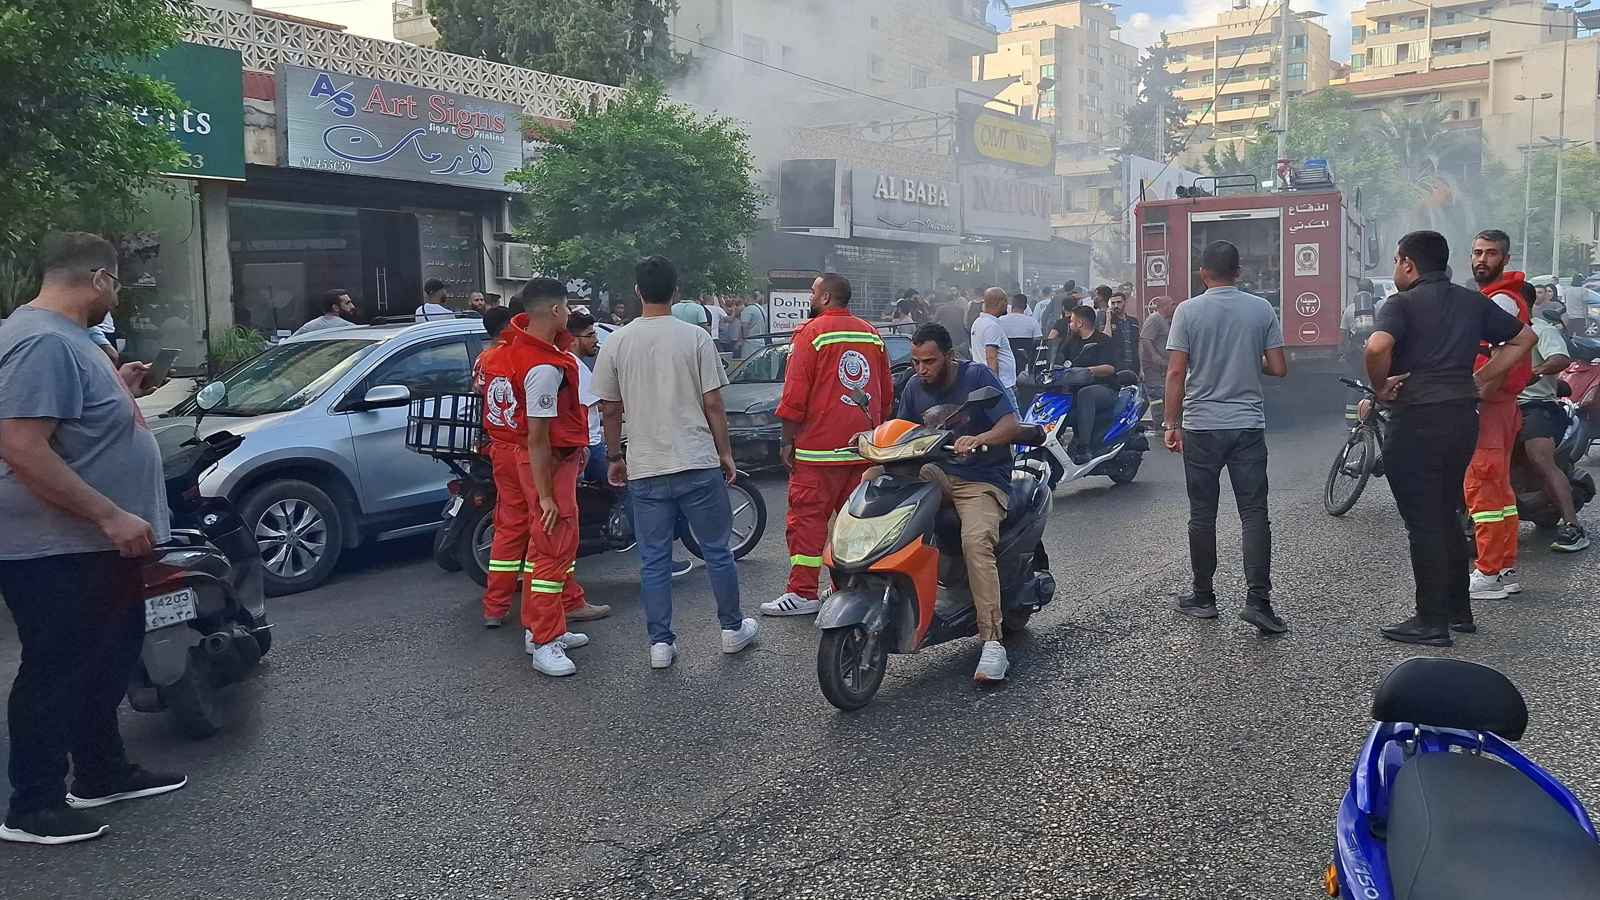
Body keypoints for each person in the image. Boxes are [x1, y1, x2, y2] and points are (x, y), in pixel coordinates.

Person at [0, 232, 186, 845]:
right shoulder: (41, 341)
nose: (117, 297)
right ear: (100, 279)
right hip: (58, 544)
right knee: (58, 667)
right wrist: (109, 516)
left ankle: (102, 770)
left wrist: (123, 392)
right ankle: (33, 804)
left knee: (104, 658)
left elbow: (74, 428)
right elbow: (20, 445)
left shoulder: (72, 342)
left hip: (95, 544)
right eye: (118, 285)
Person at [1366, 231, 1534, 646]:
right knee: (1446, 514)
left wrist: (1380, 384)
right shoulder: (1471, 300)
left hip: (1416, 422)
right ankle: (1459, 611)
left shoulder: (1400, 304)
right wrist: (1481, 379)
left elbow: (1376, 346)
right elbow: (1524, 339)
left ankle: (1430, 621)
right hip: (1461, 419)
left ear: (1408, 264)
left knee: (1423, 523)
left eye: (1396, 261)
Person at [594, 256, 758, 668]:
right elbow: (714, 402)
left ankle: (660, 645)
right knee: (717, 551)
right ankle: (731, 629)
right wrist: (725, 452)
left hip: (646, 465)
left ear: (636, 292)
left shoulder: (616, 341)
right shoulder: (695, 338)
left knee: (653, 559)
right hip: (697, 460)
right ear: (676, 291)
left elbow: (609, 409)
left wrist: (615, 456)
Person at [477, 279, 611, 677]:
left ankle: (545, 627)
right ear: (555, 312)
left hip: (549, 461)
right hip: (546, 466)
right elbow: (536, 438)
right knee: (549, 551)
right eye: (567, 308)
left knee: (550, 548)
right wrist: (547, 495)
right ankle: (544, 639)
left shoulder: (529, 354)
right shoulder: (542, 367)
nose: (570, 315)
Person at [1164, 240, 1289, 634]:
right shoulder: (1261, 309)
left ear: (1203, 272)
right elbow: (1279, 367)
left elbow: (1174, 373)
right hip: (1247, 425)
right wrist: (1248, 362)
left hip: (1201, 425)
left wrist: (1170, 424)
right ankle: (1258, 602)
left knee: (1203, 514)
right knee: (1254, 514)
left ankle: (1204, 597)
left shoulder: (1188, 311)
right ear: (1239, 272)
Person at [898, 323, 1026, 682]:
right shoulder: (913, 387)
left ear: (949, 357)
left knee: (975, 542)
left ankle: (992, 643)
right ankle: (857, 579)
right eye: (915, 361)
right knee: (873, 482)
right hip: (937, 474)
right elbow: (901, 432)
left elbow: (1010, 424)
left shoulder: (977, 377)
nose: (922, 369)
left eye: (929, 361)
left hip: (981, 478)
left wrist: (980, 437)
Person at [763, 273, 892, 617]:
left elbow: (794, 396)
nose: (810, 296)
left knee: (807, 522)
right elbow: (885, 393)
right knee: (857, 524)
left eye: (813, 291)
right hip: (863, 449)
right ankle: (848, 589)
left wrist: (786, 440)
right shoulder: (872, 334)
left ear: (825, 298)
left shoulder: (812, 333)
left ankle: (803, 592)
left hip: (818, 453)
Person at [1464, 230, 1536, 601]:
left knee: (1483, 488)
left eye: (1491, 253)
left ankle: (1488, 572)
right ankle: (1504, 568)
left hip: (1490, 407)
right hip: (1502, 406)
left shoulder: (1501, 303)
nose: (1482, 259)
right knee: (1500, 491)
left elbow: (1497, 358)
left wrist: (1475, 397)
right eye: (1477, 252)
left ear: (1505, 260)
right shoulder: (1501, 298)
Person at [1519, 300, 1588, 552]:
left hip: (1534, 405)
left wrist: (1534, 372)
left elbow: (1559, 358)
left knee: (1540, 459)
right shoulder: (1489, 332)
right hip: (1495, 407)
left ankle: (1573, 526)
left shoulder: (1542, 329)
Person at [1049, 306, 1121, 464]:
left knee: (1085, 394)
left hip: (1104, 389)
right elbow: (1059, 361)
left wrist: (1085, 371)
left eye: (1072, 321)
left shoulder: (1102, 340)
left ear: (1080, 323)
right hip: (1074, 389)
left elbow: (1110, 368)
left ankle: (1084, 447)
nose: (1069, 324)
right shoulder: (1070, 342)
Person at [567, 310, 608, 484]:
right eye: (590, 335)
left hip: (584, 444)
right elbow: (602, 405)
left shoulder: (573, 364)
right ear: (573, 339)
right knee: (621, 492)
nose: (596, 340)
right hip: (589, 445)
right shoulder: (575, 367)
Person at [970, 287, 1018, 408]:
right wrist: (996, 385)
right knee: (1015, 422)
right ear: (1000, 303)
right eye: (1006, 302)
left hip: (988, 382)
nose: (1007, 305)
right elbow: (991, 357)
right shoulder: (991, 326)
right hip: (1001, 384)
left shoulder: (979, 322)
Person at [1140, 294, 1176, 419]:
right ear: (1164, 306)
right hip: (1153, 368)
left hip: (1163, 367)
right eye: (1172, 304)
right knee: (1157, 397)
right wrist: (1155, 357)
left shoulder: (1167, 321)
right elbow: (1145, 339)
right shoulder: (1154, 319)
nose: (1174, 307)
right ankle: (1159, 426)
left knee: (1164, 395)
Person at [1105, 291, 1141, 377]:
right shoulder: (1108, 321)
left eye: (1119, 302)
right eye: (1113, 303)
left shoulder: (1133, 321)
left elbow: (1138, 344)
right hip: (1117, 365)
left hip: (1134, 365)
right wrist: (1108, 319)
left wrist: (1141, 369)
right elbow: (1106, 337)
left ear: (1125, 302)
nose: (1116, 306)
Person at [294, 289, 358, 335]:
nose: (352, 306)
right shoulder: (350, 328)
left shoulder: (308, 327)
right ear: (335, 307)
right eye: (347, 303)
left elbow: (289, 342)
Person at [740, 291, 768, 357]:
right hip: (761, 342)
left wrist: (741, 340)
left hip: (750, 344)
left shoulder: (748, 309)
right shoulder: (761, 309)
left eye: (743, 298)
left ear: (748, 297)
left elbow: (745, 327)